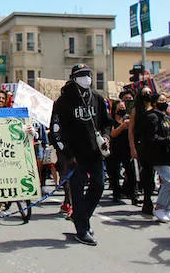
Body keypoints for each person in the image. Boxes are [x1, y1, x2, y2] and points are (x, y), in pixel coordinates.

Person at [50, 64, 112, 246]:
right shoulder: (62, 102)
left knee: (99, 186)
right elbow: (55, 131)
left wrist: (106, 137)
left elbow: (107, 123)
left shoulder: (98, 99)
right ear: (73, 78)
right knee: (76, 192)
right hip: (75, 157)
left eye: (88, 74)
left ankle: (81, 217)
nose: (86, 78)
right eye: (81, 75)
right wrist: (68, 155)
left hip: (95, 153)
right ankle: (82, 229)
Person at [145, 93, 170, 223]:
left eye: (166, 100)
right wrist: (166, 140)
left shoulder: (167, 118)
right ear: (154, 102)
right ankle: (159, 207)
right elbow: (151, 138)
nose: (164, 102)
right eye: (161, 100)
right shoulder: (152, 117)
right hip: (159, 156)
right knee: (169, 183)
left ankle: (167, 209)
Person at [129, 86, 156, 215]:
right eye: (145, 93)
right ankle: (147, 199)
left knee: (152, 174)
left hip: (154, 145)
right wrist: (133, 148)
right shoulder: (136, 110)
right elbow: (131, 131)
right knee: (144, 173)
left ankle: (150, 196)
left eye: (149, 92)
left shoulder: (155, 109)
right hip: (142, 145)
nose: (148, 94)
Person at [107, 100, 137, 204]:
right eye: (120, 108)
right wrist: (123, 126)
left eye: (123, 107)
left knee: (131, 172)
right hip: (114, 149)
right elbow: (112, 134)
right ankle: (116, 194)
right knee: (114, 173)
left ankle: (134, 195)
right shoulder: (110, 120)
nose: (122, 110)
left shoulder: (128, 118)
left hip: (126, 149)